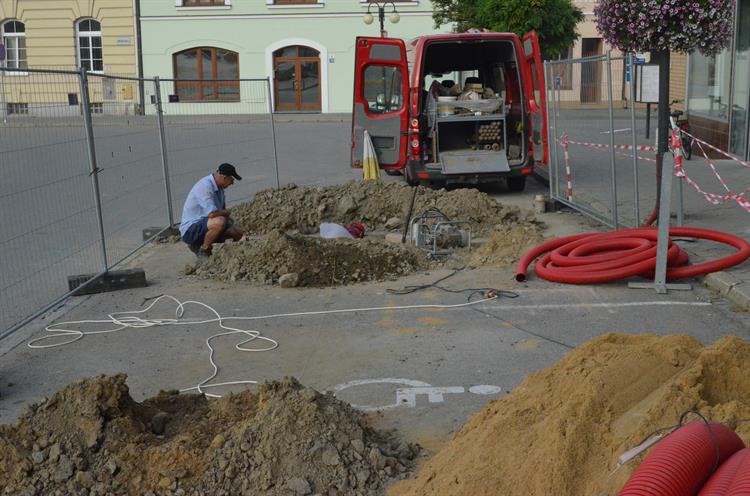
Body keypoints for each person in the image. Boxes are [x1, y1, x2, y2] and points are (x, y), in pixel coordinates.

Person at [180, 163, 244, 259]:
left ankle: (228, 256)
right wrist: (227, 213)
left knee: (237, 233)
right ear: (224, 178)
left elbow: (222, 209)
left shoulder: (220, 189)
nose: (232, 183)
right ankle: (204, 250)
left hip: (206, 225)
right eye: (232, 179)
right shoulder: (205, 187)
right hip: (191, 230)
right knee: (220, 221)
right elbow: (212, 214)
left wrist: (228, 219)